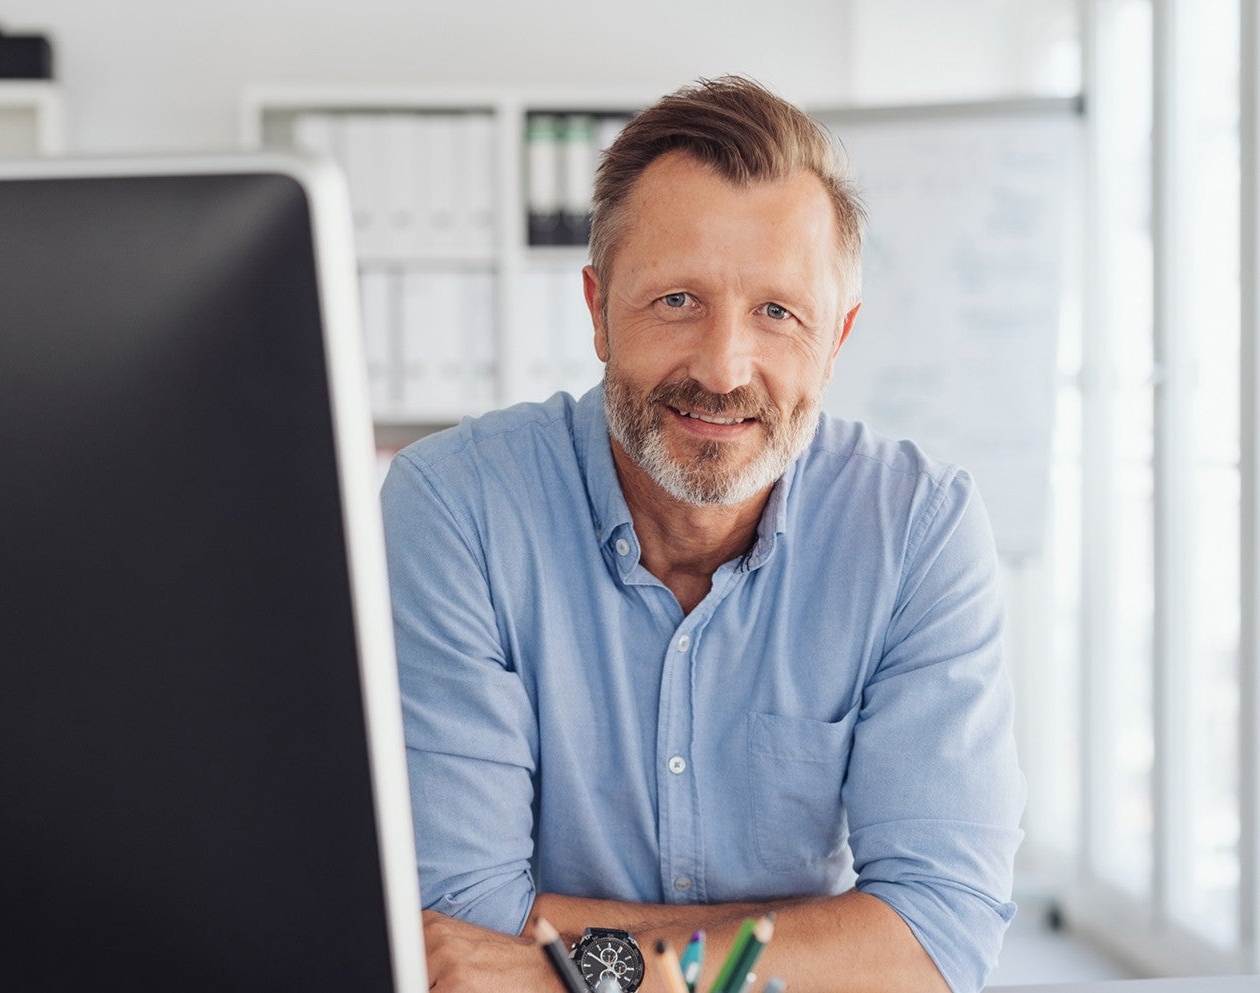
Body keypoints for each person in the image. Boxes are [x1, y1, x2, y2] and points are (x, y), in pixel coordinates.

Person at [381, 75, 1025, 993]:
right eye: (677, 300)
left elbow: (933, 937)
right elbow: (460, 920)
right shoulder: (453, 507)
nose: (724, 368)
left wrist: (581, 970)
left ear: (836, 339)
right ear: (598, 309)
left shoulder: (915, 529)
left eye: (777, 312)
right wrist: (818, 942)